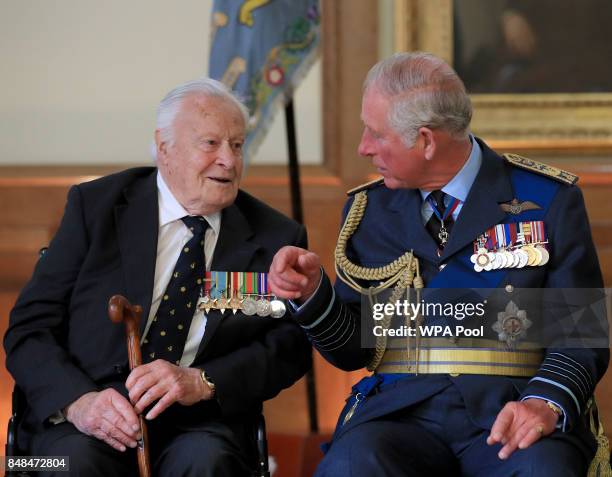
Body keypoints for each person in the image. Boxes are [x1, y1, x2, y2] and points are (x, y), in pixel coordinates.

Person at [269, 52, 610, 476]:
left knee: (546, 469)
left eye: (377, 134)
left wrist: (543, 402)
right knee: (351, 465)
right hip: (401, 415)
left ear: (426, 141)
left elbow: (580, 335)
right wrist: (312, 296)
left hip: (508, 409)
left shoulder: (547, 200)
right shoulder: (368, 209)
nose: (363, 147)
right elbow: (353, 348)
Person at [4, 77, 312, 477]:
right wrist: (78, 402)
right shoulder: (96, 208)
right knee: (69, 467)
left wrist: (203, 381)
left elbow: (289, 346)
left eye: (237, 145)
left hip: (200, 423)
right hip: (80, 419)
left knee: (208, 464)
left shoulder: (275, 237)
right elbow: (28, 329)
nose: (230, 160)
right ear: (164, 146)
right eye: (211, 144)